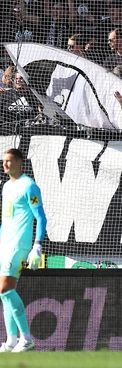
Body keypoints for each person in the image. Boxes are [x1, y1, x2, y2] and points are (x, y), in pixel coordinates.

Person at [0, 147, 47, 352]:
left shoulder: (29, 186)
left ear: (20, 162)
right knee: (4, 293)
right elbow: (6, 219)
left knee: (5, 288)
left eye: (9, 161)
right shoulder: (6, 187)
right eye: (3, 161)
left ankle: (26, 338)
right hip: (5, 243)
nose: (5, 164)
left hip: (20, 245)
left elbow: (41, 217)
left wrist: (37, 246)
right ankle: (11, 340)